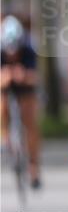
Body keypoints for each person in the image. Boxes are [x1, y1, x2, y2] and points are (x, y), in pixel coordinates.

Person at [0, 15, 42, 188]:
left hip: (25, 87)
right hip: (5, 87)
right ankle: (5, 138)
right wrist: (6, 76)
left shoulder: (28, 49)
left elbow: (36, 77)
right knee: (2, 105)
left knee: (30, 120)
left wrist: (23, 76)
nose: (13, 55)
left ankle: (33, 167)